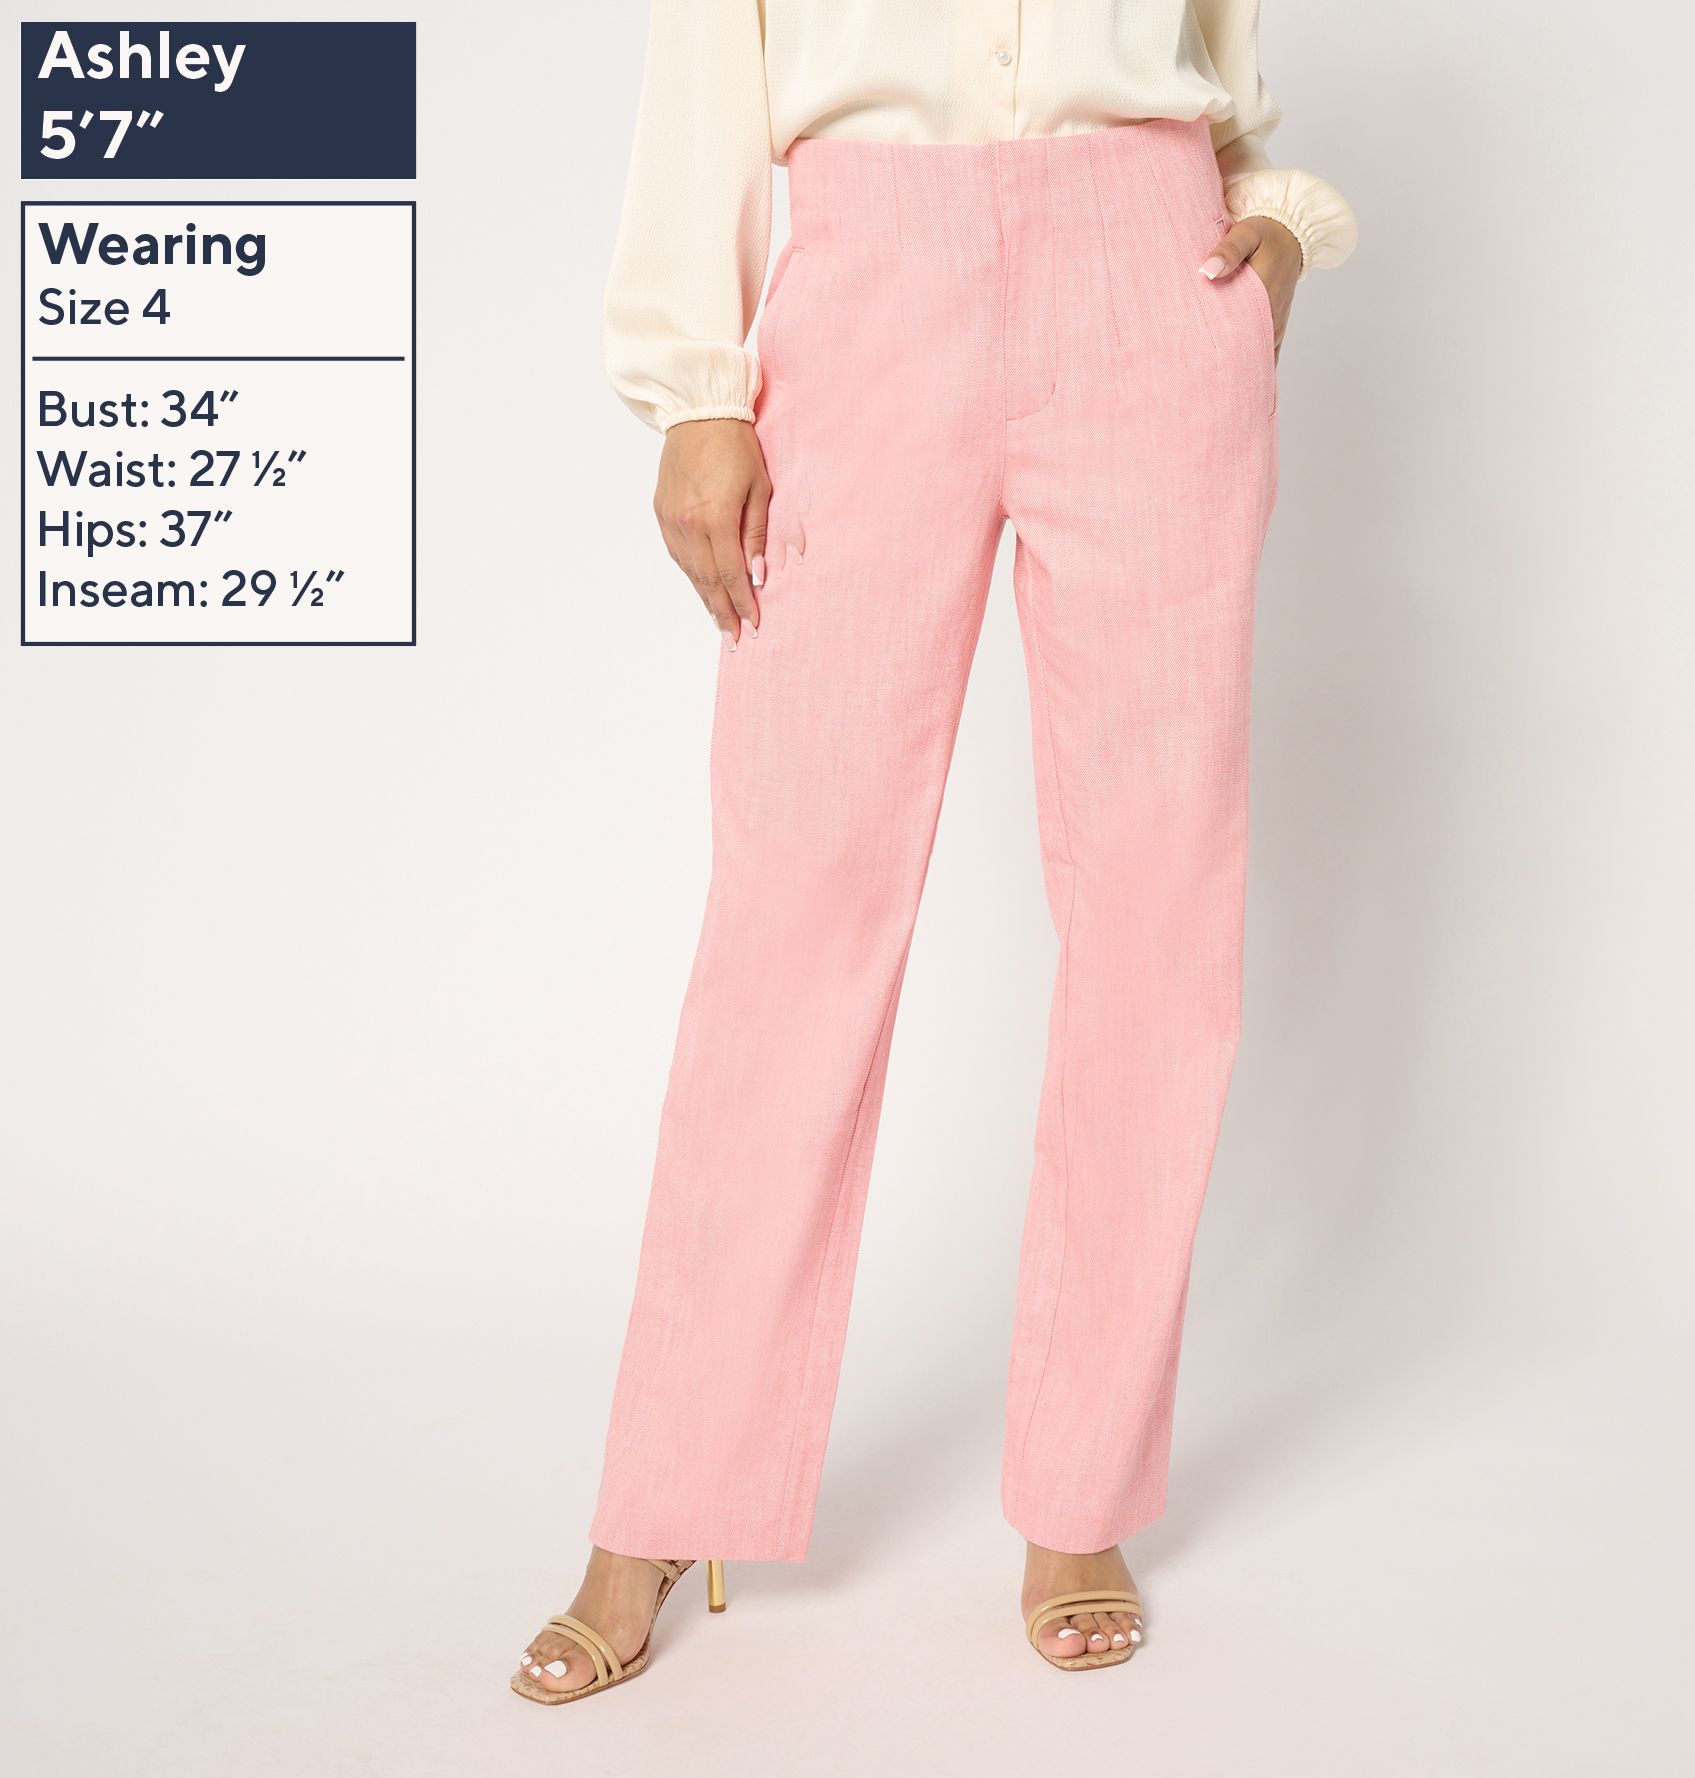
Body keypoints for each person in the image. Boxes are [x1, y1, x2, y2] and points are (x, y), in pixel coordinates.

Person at [514, 0, 1355, 1700]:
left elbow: (1219, 64)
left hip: (1151, 284)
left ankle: (1083, 1491)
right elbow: (709, 64)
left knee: (1157, 908)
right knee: (793, 913)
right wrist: (695, 387)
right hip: (867, 293)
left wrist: (1268, 235)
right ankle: (668, 1490)